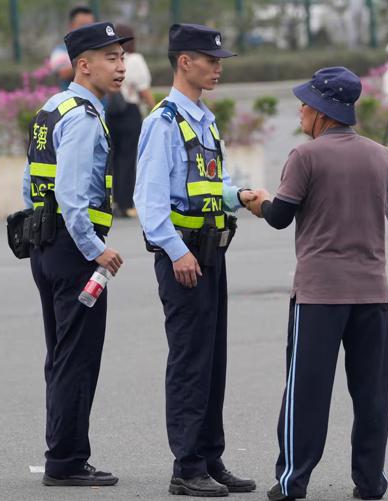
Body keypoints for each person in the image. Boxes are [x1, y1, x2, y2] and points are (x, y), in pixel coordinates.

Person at [241, 66, 388, 501]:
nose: (301, 108)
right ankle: (369, 482)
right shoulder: (382, 156)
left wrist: (259, 200)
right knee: (371, 395)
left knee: (306, 392)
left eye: (306, 102)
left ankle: (293, 482)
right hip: (372, 297)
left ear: (323, 111)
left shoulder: (304, 157)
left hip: (319, 297)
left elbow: (280, 217)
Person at [134, 23, 256, 498]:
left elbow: (201, 188)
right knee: (189, 362)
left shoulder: (202, 119)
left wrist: (237, 195)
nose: (218, 67)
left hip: (210, 253)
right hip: (184, 256)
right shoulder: (162, 122)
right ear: (185, 61)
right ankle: (186, 466)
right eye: (211, 59)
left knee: (212, 361)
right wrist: (177, 251)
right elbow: (149, 201)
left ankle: (209, 456)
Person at [21, 21, 129, 487]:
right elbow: (71, 193)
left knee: (61, 354)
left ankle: (62, 452)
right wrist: (96, 249)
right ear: (84, 66)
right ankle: (65, 461)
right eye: (111, 58)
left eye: (122, 56)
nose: (121, 65)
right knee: (77, 357)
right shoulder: (83, 117)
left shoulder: (52, 107)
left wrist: (41, 232)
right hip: (73, 253)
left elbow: (31, 182)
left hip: (45, 248)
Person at [105, 23, 154, 218]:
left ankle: (114, 202)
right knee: (128, 158)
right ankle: (126, 204)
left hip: (112, 112)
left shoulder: (109, 60)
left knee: (114, 159)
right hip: (130, 111)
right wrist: (155, 108)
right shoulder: (135, 60)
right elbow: (144, 90)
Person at [48, 6, 95, 90]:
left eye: (91, 25)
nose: (87, 29)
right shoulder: (61, 51)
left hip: (100, 102)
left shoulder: (99, 48)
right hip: (74, 102)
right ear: (71, 26)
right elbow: (64, 73)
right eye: (83, 25)